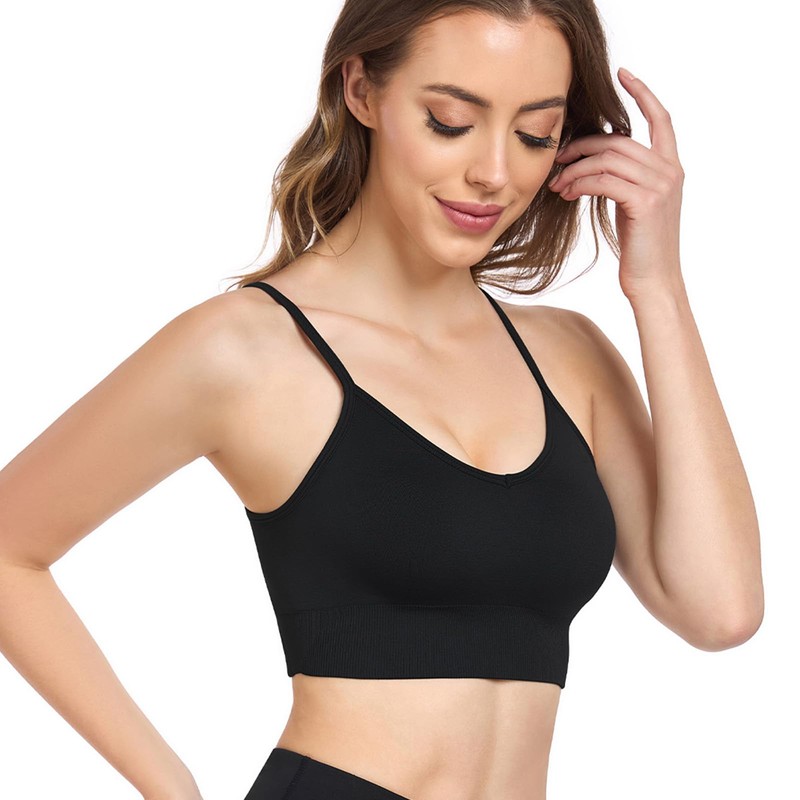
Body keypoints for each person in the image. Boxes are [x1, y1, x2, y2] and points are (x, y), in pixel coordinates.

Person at [0, 1, 764, 799]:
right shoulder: (247, 349)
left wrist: (658, 287)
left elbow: (721, 610)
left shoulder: (572, 356)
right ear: (361, 90)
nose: (494, 172)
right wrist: (172, 787)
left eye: (535, 134)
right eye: (449, 122)